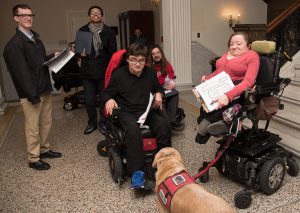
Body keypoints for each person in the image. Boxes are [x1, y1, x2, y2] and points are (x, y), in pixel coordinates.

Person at [103, 42, 171, 190]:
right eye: (133, 59)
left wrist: (159, 94)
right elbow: (106, 93)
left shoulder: (150, 73)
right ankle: (137, 173)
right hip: (126, 111)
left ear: (145, 60)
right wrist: (109, 99)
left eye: (141, 60)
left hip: (146, 110)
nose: (137, 63)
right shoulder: (119, 75)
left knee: (164, 125)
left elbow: (158, 88)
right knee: (133, 131)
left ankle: (165, 164)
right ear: (127, 59)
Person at [3, 4, 62, 170]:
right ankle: (34, 158)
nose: (28, 18)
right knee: (32, 127)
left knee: (45, 123)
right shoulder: (14, 45)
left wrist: (53, 57)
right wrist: (32, 95)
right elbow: (21, 74)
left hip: (44, 87)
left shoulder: (36, 39)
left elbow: (39, 63)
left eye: (30, 15)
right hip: (31, 93)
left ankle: (44, 149)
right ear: (16, 18)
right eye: (23, 15)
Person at [195, 32, 260, 144]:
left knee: (217, 107)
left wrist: (227, 96)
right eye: (231, 44)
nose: (234, 46)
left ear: (248, 45)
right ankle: (218, 123)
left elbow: (248, 81)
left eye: (238, 43)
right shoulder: (227, 54)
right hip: (220, 85)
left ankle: (218, 124)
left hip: (236, 88)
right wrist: (207, 78)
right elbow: (219, 71)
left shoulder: (252, 56)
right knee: (206, 106)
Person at [78, 5, 117, 135]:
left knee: (104, 99)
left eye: (98, 12)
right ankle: (92, 123)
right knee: (89, 100)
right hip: (87, 72)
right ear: (89, 15)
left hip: (104, 71)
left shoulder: (109, 31)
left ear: (102, 15)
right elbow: (79, 52)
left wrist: (112, 70)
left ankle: (104, 122)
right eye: (93, 12)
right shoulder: (83, 30)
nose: (96, 14)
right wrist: (80, 54)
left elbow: (113, 53)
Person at [149, 44, 184, 131]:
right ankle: (167, 122)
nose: (156, 55)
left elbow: (170, 78)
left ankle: (172, 120)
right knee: (162, 100)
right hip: (154, 91)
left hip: (165, 89)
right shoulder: (148, 66)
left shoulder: (167, 65)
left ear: (161, 53)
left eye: (158, 52)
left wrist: (172, 83)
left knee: (175, 93)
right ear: (151, 56)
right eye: (153, 54)